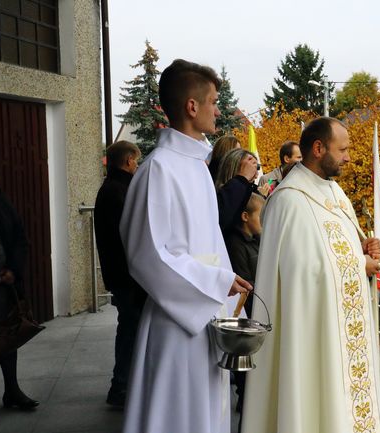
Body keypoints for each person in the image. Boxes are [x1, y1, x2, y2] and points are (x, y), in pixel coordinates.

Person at [119, 59, 252, 433]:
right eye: (212, 101)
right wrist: (213, 283)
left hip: (207, 315)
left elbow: (209, 243)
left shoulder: (196, 167)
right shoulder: (158, 168)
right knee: (177, 418)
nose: (218, 110)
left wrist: (230, 301)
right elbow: (147, 256)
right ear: (191, 107)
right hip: (176, 322)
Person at [242, 117, 380, 433]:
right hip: (311, 333)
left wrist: (363, 244)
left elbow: (333, 247)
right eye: (343, 149)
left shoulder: (335, 193)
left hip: (341, 328)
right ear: (319, 148)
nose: (348, 157)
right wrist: (357, 264)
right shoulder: (288, 200)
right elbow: (298, 271)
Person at [94, 140, 146, 408]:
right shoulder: (119, 191)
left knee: (130, 329)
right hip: (127, 277)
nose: (137, 165)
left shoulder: (113, 188)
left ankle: (125, 385)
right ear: (127, 161)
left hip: (122, 275)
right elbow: (129, 236)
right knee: (129, 331)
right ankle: (121, 387)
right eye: (136, 161)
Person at [0, 156, 38, 411]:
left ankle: (12, 391)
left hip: (5, 283)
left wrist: (13, 271)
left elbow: (19, 236)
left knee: (8, 335)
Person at [223, 192, 264, 427]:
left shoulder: (257, 240)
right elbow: (244, 281)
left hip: (256, 310)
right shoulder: (235, 243)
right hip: (246, 315)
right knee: (245, 372)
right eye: (261, 216)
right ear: (245, 216)